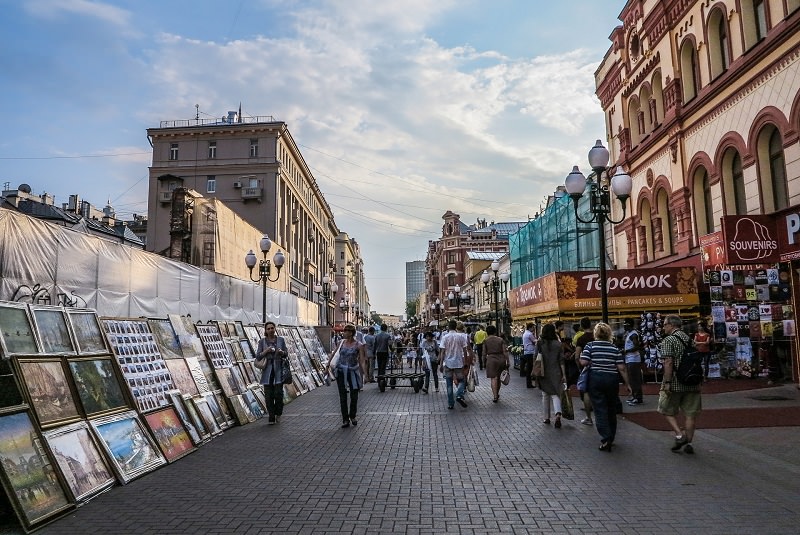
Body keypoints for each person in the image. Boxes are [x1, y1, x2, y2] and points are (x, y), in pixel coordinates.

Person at [579, 322, 631, 451]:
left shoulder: (590, 346)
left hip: (595, 378)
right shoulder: (614, 348)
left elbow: (583, 361)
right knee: (611, 408)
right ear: (609, 334)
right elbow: (622, 368)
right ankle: (611, 437)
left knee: (600, 409)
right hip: (612, 379)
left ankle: (605, 437)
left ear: (595, 333)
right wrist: (628, 384)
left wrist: (591, 361)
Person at [658, 314, 702, 454]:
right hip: (692, 381)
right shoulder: (689, 339)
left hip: (676, 381)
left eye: (665, 324)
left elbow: (668, 362)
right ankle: (689, 443)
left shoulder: (669, 340)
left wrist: (667, 382)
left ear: (671, 325)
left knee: (665, 409)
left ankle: (679, 435)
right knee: (690, 414)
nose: (663, 327)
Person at [327, 323, 366, 428]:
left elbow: (362, 360)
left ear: (351, 333)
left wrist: (365, 374)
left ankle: (352, 415)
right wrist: (328, 364)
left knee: (354, 395)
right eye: (345, 331)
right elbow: (334, 353)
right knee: (343, 396)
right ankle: (345, 419)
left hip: (353, 371)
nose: (344, 333)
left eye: (346, 331)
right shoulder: (341, 343)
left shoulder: (359, 345)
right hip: (341, 371)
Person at [255, 321, 289, 425]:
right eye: (268, 328)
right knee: (268, 395)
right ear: (265, 330)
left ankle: (278, 413)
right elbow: (258, 356)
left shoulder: (281, 340)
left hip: (278, 371)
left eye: (272, 328)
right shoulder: (262, 342)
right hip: (267, 372)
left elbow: (286, 353)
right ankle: (271, 416)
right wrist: (266, 351)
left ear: (275, 329)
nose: (270, 330)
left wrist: (281, 352)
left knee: (278, 394)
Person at [536, 323, 566, 428]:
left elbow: (535, 358)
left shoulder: (539, 343)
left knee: (545, 394)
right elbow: (561, 361)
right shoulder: (558, 344)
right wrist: (564, 374)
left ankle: (546, 417)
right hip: (556, 371)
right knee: (556, 394)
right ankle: (558, 414)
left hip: (543, 372)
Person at [439, 319, 470, 409]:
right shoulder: (460, 337)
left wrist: (441, 364)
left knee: (449, 383)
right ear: (456, 326)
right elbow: (465, 350)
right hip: (458, 362)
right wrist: (465, 362)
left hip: (448, 363)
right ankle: (459, 394)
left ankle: (450, 403)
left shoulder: (445, 337)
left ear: (448, 327)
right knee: (462, 381)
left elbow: (442, 352)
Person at [574, 317, 595, 426]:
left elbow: (577, 356)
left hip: (586, 367)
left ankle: (588, 417)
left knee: (586, 391)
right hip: (598, 366)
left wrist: (579, 367)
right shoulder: (596, 336)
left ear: (582, 326)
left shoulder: (581, 339)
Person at [483, 324, 510, 403]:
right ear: (495, 332)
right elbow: (505, 351)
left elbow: (484, 353)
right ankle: (497, 393)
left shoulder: (486, 341)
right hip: (501, 359)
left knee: (493, 378)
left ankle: (495, 396)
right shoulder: (500, 340)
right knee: (499, 377)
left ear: (487, 332)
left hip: (491, 360)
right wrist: (507, 361)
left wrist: (484, 362)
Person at [623, 319, 644, 406]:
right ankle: (635, 396)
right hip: (630, 359)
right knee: (632, 379)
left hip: (633, 359)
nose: (624, 326)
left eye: (625, 324)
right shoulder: (630, 334)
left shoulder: (633, 335)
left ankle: (638, 398)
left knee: (635, 379)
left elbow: (636, 347)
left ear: (629, 325)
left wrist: (626, 351)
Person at [521, 322, 537, 388]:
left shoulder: (525, 333)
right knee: (530, 368)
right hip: (530, 352)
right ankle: (530, 383)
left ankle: (529, 383)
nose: (534, 329)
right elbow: (535, 341)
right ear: (530, 327)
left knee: (528, 368)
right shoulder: (529, 334)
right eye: (533, 327)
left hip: (526, 352)